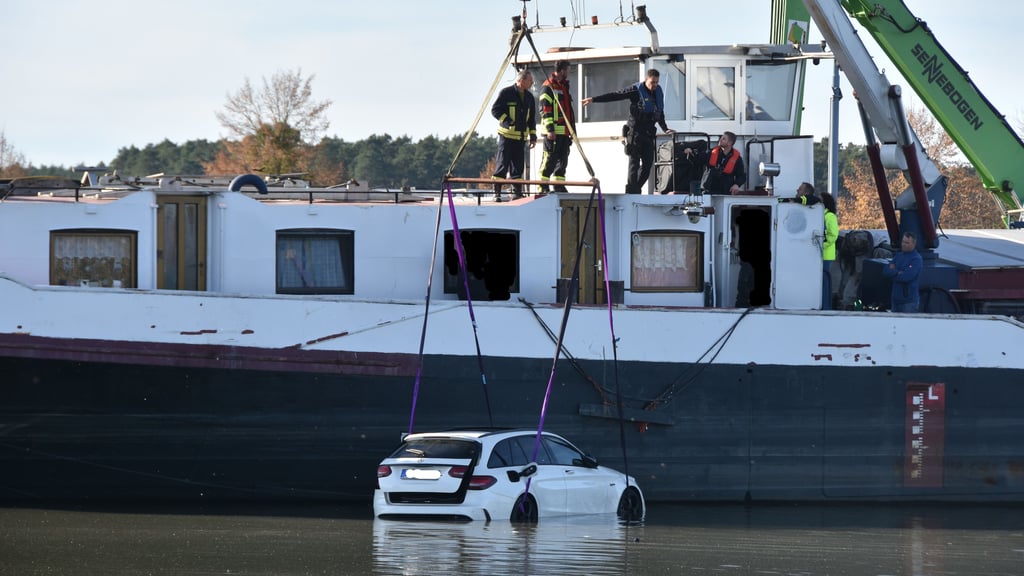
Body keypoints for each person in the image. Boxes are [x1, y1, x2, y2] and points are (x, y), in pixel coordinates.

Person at [581, 69, 674, 194]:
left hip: (649, 133)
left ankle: (635, 188)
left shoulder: (658, 92)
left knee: (647, 165)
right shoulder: (636, 90)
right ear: (646, 80)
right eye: (652, 82)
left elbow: (659, 112)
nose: (654, 86)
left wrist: (665, 128)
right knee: (633, 164)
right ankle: (631, 190)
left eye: (657, 83)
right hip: (635, 133)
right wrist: (594, 99)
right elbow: (615, 95)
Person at [490, 70, 538, 201]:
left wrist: (533, 136)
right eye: (530, 80)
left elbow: (531, 118)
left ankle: (517, 193)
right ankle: (497, 193)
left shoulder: (529, 97)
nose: (532, 83)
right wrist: (508, 121)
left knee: (518, 167)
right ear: (521, 80)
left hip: (521, 138)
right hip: (506, 137)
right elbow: (495, 110)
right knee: (502, 164)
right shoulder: (506, 93)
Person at [538, 60, 575, 194]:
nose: (569, 73)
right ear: (562, 70)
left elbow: (568, 111)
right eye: (568, 70)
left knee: (562, 160)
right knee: (549, 159)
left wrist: (572, 131)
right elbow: (545, 109)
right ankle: (543, 185)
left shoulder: (564, 86)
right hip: (553, 132)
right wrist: (550, 129)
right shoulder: (549, 86)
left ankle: (559, 185)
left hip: (564, 131)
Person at [883, 231, 923, 312]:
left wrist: (893, 271)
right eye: (903, 242)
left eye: (907, 243)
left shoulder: (916, 259)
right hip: (895, 299)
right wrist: (898, 272)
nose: (903, 244)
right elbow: (886, 271)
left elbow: (907, 277)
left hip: (908, 302)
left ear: (913, 244)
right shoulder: (898, 256)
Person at [820, 190, 838, 309]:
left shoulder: (829, 216)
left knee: (824, 282)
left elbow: (833, 235)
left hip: (826, 255)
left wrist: (822, 244)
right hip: (821, 254)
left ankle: (826, 307)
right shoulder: (821, 215)